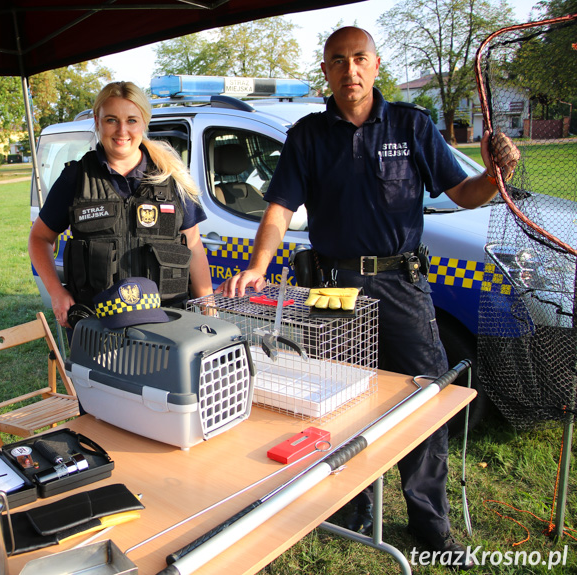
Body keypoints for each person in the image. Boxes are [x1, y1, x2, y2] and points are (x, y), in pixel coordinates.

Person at [220, 27, 519, 570]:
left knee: (421, 401)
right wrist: (259, 266)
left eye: (359, 59)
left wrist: (497, 173)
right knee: (338, 400)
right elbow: (279, 210)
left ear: (376, 65)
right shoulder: (307, 135)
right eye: (338, 61)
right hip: (332, 287)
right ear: (327, 71)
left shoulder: (411, 125)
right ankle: (350, 507)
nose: (349, 70)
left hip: (400, 285)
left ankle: (431, 526)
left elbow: (464, 193)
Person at [28, 81, 212, 330]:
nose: (122, 130)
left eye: (132, 120)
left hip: (166, 323)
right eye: (111, 120)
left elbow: (193, 246)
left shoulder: (173, 178)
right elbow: (39, 238)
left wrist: (208, 308)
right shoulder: (76, 177)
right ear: (97, 121)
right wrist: (56, 293)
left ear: (144, 122)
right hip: (98, 324)